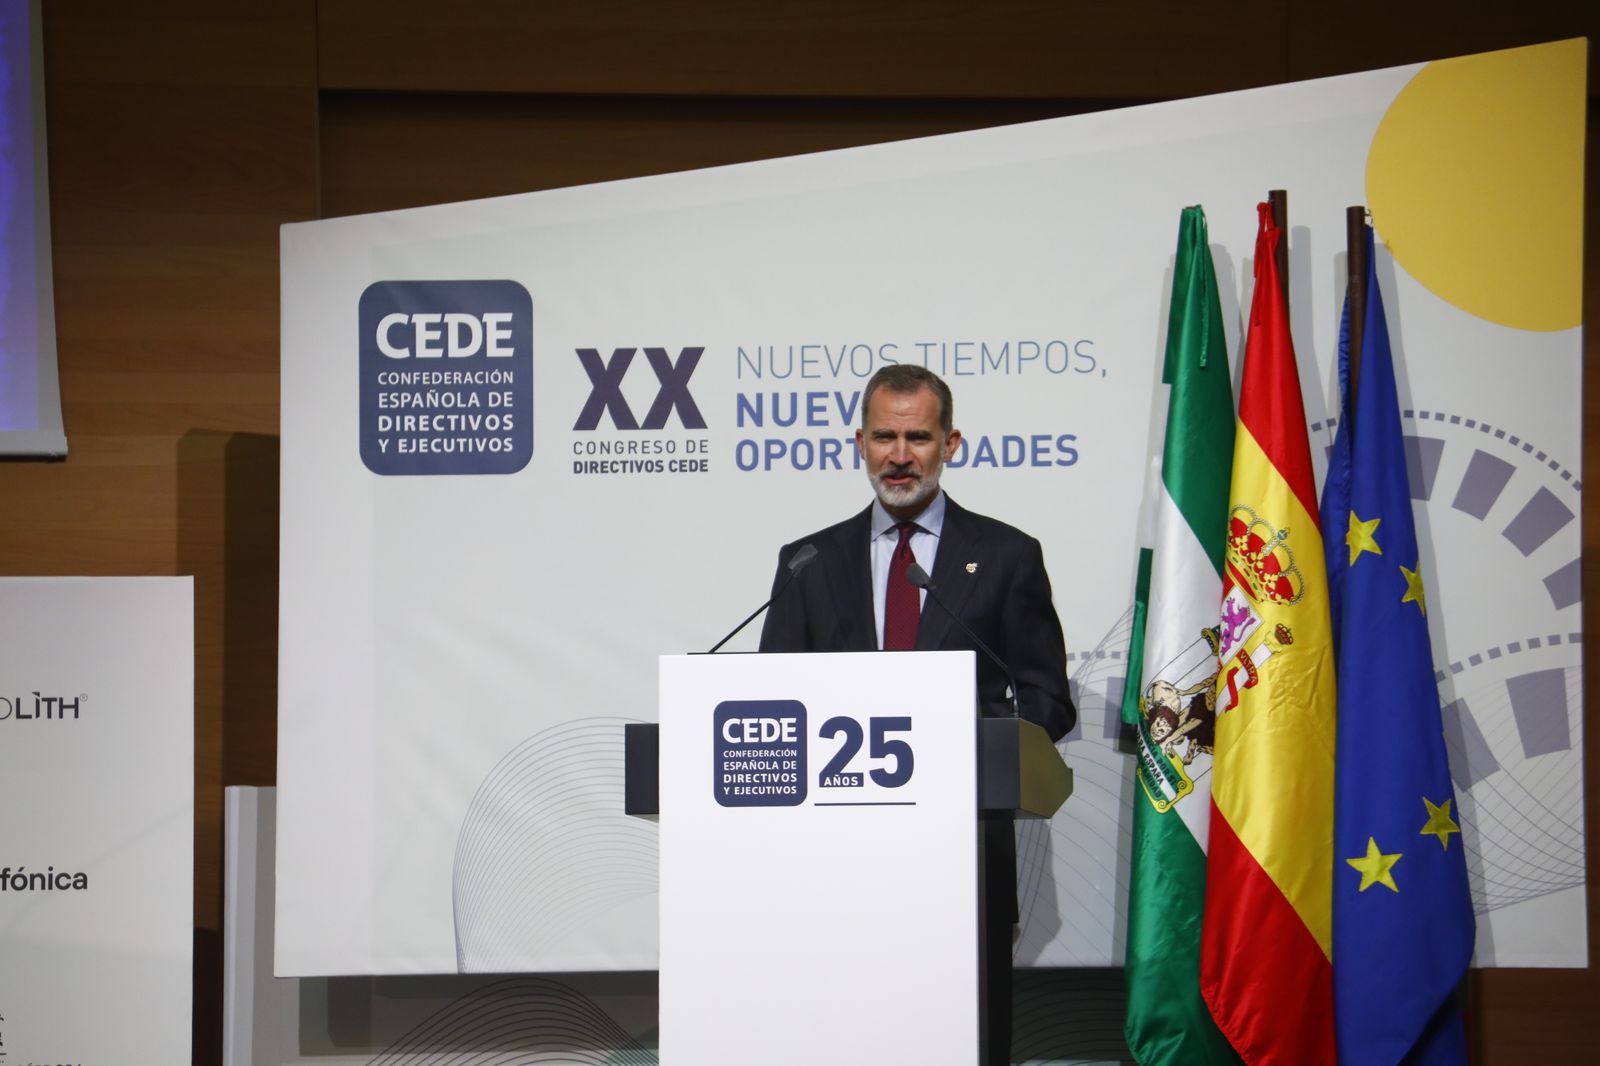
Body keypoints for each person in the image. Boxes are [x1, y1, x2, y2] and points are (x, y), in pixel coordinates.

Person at [758, 363, 1075, 1065]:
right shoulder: (808, 562)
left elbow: (1049, 700)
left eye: (918, 438)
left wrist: (960, 734)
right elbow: (772, 704)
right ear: (859, 444)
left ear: (951, 443)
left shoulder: (1006, 557)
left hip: (963, 859)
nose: (900, 456)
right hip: (833, 861)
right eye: (884, 437)